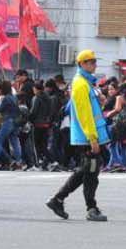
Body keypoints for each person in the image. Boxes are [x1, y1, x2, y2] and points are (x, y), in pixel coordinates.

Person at [46, 50, 109, 222]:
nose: (94, 64)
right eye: (91, 62)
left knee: (86, 171)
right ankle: (90, 207)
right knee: (90, 172)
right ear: (82, 64)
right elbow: (84, 113)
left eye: (95, 61)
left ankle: (58, 199)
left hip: (91, 134)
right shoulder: (81, 84)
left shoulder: (87, 83)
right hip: (87, 136)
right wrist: (92, 137)